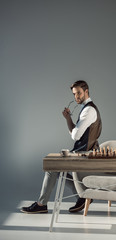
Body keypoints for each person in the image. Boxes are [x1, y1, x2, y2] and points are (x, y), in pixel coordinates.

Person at [21, 80, 102, 214]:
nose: (76, 97)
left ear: (86, 91)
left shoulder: (88, 110)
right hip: (84, 151)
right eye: (74, 94)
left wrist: (72, 125)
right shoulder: (87, 109)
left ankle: (42, 204)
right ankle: (82, 196)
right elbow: (75, 134)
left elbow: (75, 135)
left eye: (79, 93)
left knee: (52, 168)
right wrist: (68, 119)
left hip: (85, 154)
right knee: (57, 170)